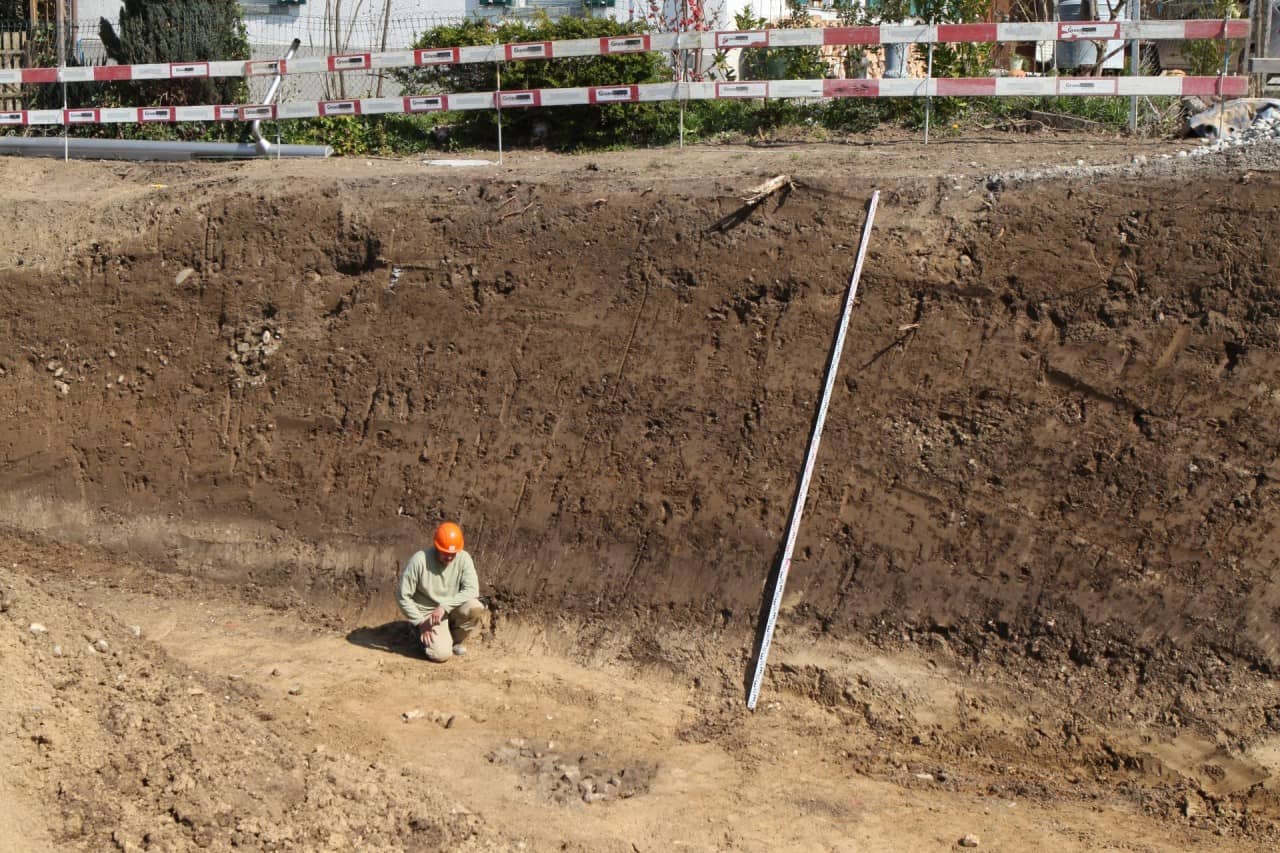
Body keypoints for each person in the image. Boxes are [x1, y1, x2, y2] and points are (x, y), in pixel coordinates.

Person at [396, 521, 486, 662]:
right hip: (428, 615)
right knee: (441, 655)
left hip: (448, 608)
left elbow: (472, 590)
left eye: (453, 554)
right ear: (436, 546)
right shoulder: (419, 560)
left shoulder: (464, 558)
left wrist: (444, 607)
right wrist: (420, 622)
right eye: (445, 553)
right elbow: (402, 596)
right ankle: (417, 632)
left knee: (475, 608)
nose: (449, 558)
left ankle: (454, 641)